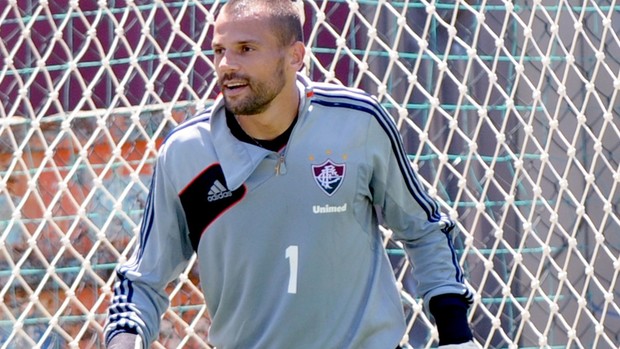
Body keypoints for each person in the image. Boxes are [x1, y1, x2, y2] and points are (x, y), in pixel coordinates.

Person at [104, 0, 477, 348]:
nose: (226, 65)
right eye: (220, 50)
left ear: (295, 56)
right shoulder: (186, 153)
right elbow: (142, 279)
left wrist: (456, 334)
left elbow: (423, 228)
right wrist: (125, 339)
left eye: (246, 49)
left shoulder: (359, 123)